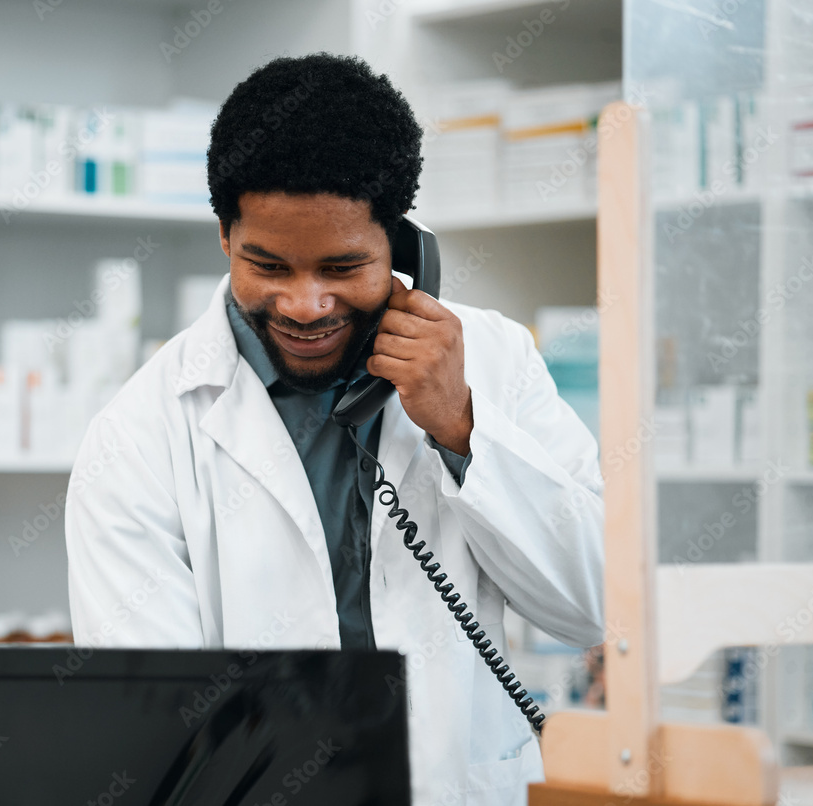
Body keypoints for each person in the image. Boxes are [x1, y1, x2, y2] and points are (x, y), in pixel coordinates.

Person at [65, 52, 604, 806]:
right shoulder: (138, 436)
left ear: (405, 245)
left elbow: (590, 605)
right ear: (224, 235)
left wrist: (462, 428)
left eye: (342, 266)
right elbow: (159, 723)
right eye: (270, 266)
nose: (305, 304)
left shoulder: (496, 360)